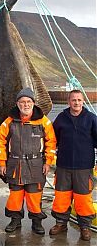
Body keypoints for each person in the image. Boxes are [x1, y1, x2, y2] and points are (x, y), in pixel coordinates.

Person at [0, 87, 56, 234]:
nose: (26, 105)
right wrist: (2, 163)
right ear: (17, 104)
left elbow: (51, 142)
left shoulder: (44, 121)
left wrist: (48, 162)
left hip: (36, 165)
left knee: (34, 196)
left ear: (34, 103)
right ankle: (15, 220)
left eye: (29, 101)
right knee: (15, 196)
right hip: (15, 164)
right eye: (22, 102)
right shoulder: (8, 122)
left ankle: (37, 222)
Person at [49, 89, 97, 241]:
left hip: (84, 167)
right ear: (69, 101)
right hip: (63, 166)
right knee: (61, 198)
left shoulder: (91, 118)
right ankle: (61, 223)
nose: (76, 103)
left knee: (83, 200)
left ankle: (85, 227)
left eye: (79, 100)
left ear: (83, 101)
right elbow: (52, 139)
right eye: (73, 100)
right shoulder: (61, 118)